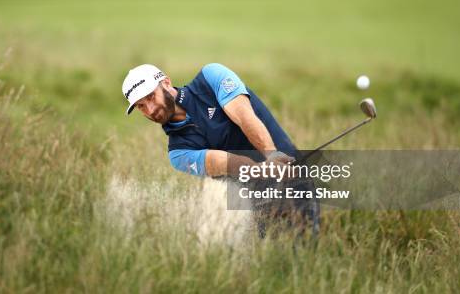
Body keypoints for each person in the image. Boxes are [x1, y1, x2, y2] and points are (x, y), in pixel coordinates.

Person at [122, 63, 319, 237]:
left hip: (293, 176)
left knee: (305, 251)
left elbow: (243, 116)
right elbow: (222, 163)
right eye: (141, 106)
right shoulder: (178, 152)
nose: (150, 110)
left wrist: (272, 154)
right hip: (254, 207)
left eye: (150, 97)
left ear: (165, 82)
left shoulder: (211, 78)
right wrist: (266, 170)